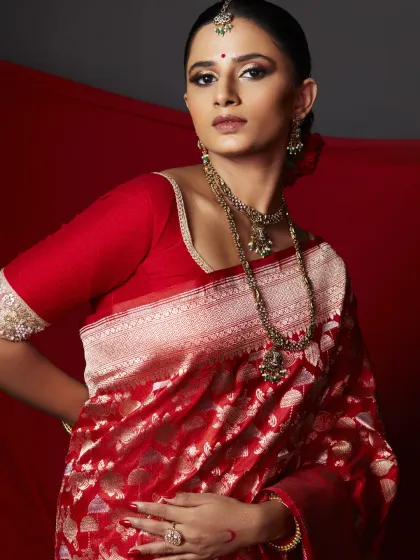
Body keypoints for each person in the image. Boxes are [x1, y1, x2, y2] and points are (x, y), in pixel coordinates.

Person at [0, 1, 398, 559]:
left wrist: (264, 520)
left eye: (252, 71)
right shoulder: (149, 208)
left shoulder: (322, 271)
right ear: (188, 100)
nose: (224, 95)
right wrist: (88, 413)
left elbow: (353, 441)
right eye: (204, 78)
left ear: (301, 98)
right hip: (125, 537)